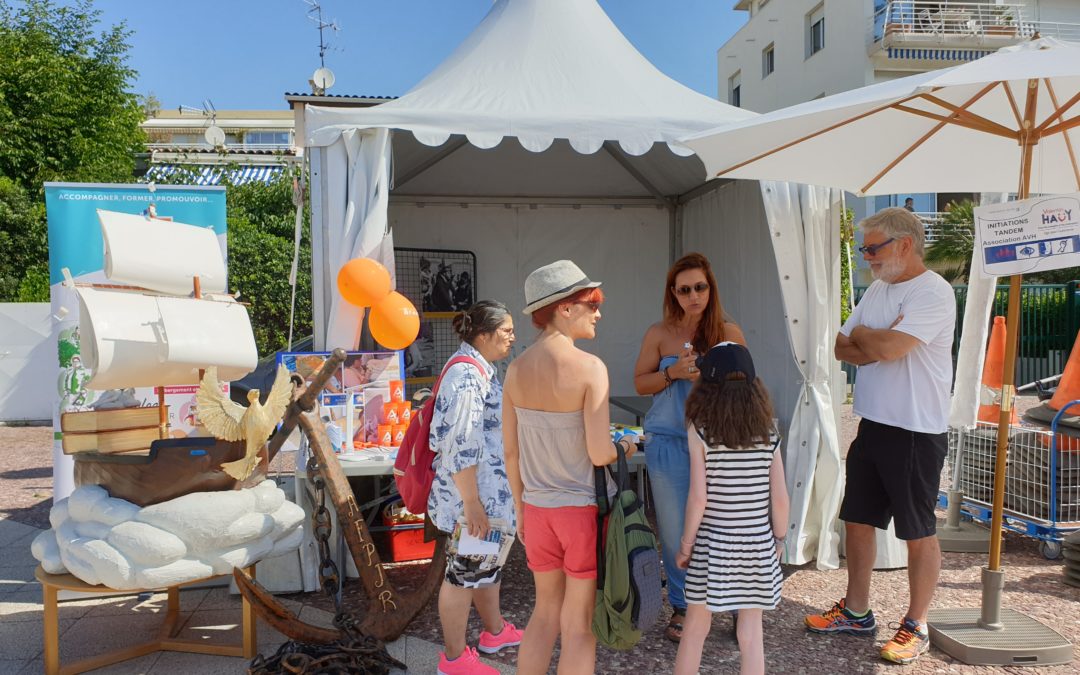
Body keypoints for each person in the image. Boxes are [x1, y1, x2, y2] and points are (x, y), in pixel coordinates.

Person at [805, 207, 955, 665]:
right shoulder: (879, 291)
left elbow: (885, 349)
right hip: (873, 424)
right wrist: (878, 340)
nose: (866, 256)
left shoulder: (934, 292)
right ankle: (856, 611)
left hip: (915, 430)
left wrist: (874, 342)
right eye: (864, 249)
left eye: (873, 248)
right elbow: (840, 345)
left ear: (905, 245)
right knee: (858, 519)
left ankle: (917, 624)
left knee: (917, 531)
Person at [503, 260, 637, 675]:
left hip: (539, 510)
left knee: (543, 615)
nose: (598, 312)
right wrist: (626, 447)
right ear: (563, 307)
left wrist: (522, 510)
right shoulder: (591, 369)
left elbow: (511, 453)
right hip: (580, 511)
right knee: (579, 629)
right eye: (591, 303)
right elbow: (599, 453)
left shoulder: (516, 369)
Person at [632, 252, 746, 642]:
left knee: (725, 526)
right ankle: (682, 604)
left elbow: (745, 385)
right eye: (685, 290)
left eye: (700, 287)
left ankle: (728, 601)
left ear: (710, 288)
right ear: (673, 293)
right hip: (669, 442)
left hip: (720, 444)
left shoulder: (729, 330)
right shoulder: (658, 332)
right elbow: (640, 383)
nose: (693, 295)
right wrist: (672, 372)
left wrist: (710, 373)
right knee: (676, 528)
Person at [673, 342, 788, 675]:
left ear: (707, 386)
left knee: (695, 630)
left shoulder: (701, 431)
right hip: (756, 544)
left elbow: (698, 498)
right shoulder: (768, 433)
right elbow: (779, 499)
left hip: (713, 546)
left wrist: (685, 545)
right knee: (751, 635)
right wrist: (778, 540)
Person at [427, 300, 523, 675]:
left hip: (485, 496)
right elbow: (459, 444)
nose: (513, 337)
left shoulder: (478, 369)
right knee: (462, 575)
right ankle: (453, 660)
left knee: (483, 567)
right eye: (507, 330)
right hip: (476, 498)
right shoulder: (467, 377)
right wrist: (473, 505)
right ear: (483, 334)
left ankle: (494, 632)